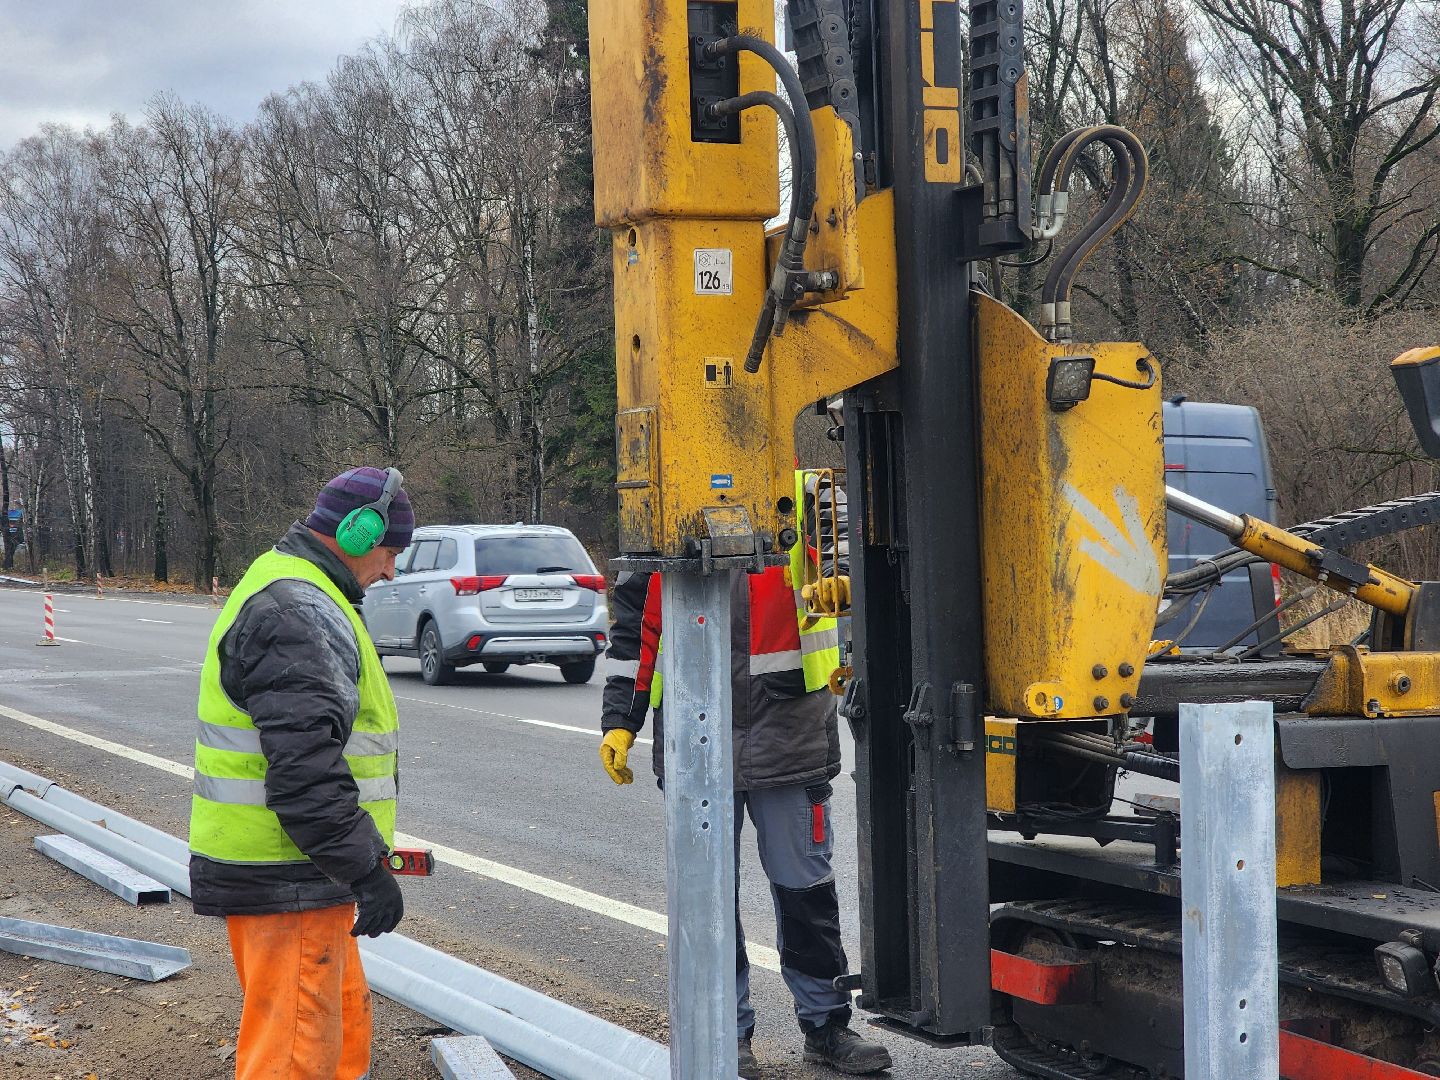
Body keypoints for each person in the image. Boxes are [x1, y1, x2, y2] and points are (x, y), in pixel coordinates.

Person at [599, 472, 893, 1078]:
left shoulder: (804, 507)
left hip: (790, 740)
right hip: (698, 744)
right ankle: (723, 1035)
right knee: (709, 897)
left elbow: (853, 585)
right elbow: (634, 642)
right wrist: (620, 720)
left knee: (805, 889)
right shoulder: (663, 517)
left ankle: (826, 1025)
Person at [188, 466, 414, 1080]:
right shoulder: (297, 610)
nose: (392, 569)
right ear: (360, 533)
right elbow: (306, 771)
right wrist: (367, 868)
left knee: (335, 1042)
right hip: (290, 880)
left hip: (306, 875)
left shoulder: (300, 592)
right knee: (294, 1056)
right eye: (392, 550)